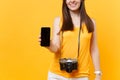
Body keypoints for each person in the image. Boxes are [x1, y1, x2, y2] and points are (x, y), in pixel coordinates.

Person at [39, 0, 102, 80]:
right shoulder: (58, 21)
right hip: (57, 75)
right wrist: (48, 44)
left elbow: (94, 49)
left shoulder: (91, 23)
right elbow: (56, 48)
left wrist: (98, 74)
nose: (72, 1)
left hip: (81, 76)